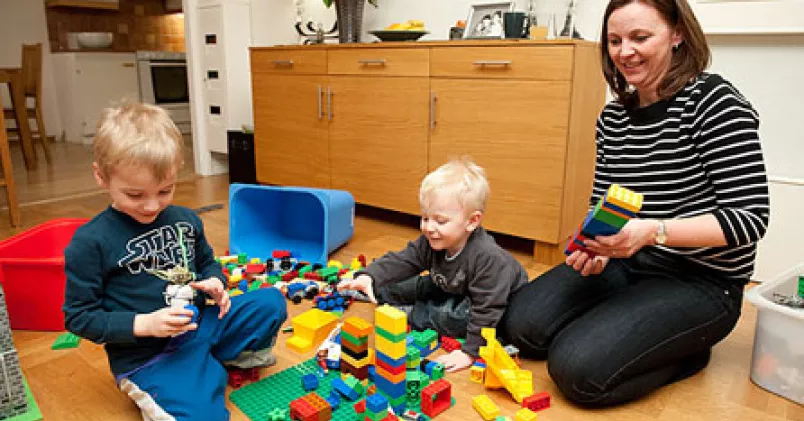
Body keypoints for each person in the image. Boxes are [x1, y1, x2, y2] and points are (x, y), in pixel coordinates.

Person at [501, 0, 770, 407]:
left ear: (677, 34)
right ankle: (632, 323)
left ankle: (688, 350)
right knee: (521, 325)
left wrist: (653, 232)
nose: (625, 52)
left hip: (703, 281)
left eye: (640, 37)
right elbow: (603, 202)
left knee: (577, 370)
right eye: (614, 41)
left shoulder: (714, 102)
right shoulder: (612, 119)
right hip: (629, 261)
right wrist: (594, 246)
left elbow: (750, 219)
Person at [63, 102, 288, 421]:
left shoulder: (185, 219)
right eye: (135, 195)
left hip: (202, 324)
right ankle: (180, 382)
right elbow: (79, 317)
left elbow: (207, 262)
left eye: (165, 191)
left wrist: (216, 282)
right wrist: (144, 324)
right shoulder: (90, 242)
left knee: (270, 302)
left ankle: (210, 361)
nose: (151, 206)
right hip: (150, 356)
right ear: (101, 176)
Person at [338, 158, 529, 372]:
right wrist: (369, 275)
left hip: (492, 303)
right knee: (411, 283)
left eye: (440, 221)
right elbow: (404, 259)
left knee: (454, 317)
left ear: (472, 221)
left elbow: (487, 309)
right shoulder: (433, 240)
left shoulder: (487, 258)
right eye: (425, 218)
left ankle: (413, 314)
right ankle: (372, 290)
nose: (429, 227)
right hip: (454, 285)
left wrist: (470, 352)